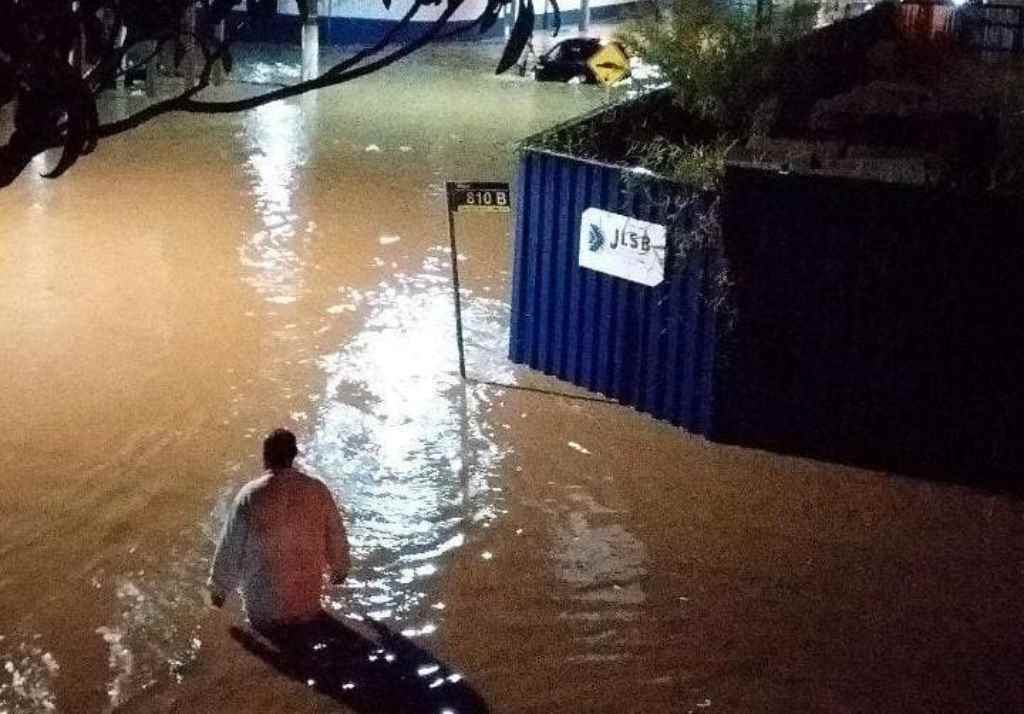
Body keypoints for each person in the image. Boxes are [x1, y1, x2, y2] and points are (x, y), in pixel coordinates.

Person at [207, 428, 351, 635]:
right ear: (293, 455)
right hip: (307, 604)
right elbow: (335, 533)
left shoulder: (250, 495)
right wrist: (340, 567)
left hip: (263, 610)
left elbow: (230, 546)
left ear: (265, 457)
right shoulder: (317, 490)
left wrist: (218, 590)